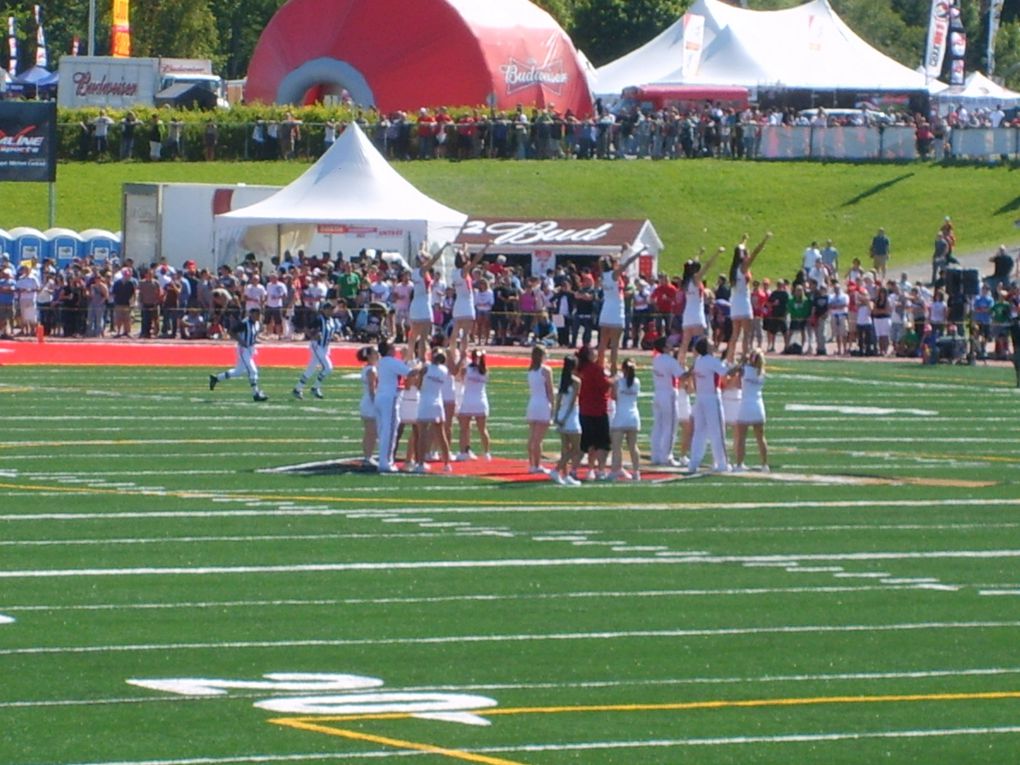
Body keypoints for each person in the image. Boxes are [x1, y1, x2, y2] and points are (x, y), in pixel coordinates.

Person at [687, 337, 732, 474]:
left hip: (700, 398)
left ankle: (693, 462)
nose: (713, 343)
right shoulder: (711, 361)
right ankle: (722, 463)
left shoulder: (699, 361)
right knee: (717, 431)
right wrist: (739, 366)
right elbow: (726, 372)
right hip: (712, 398)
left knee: (699, 432)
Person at [726, 231, 771, 363]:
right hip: (744, 303)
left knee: (735, 334)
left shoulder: (733, 269)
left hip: (735, 303)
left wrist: (744, 240)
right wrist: (764, 240)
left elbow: (739, 249)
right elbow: (755, 254)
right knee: (746, 334)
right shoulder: (743, 267)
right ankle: (744, 358)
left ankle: (730, 357)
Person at [596, 247, 641, 374]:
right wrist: (636, 253)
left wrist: (621, 252)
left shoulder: (602, 275)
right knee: (615, 344)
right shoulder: (614, 274)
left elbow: (611, 261)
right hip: (616, 310)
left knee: (603, 343)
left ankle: (599, 368)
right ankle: (613, 369)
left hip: (605, 310)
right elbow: (626, 263)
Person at [208, 306, 269, 401]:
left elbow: (253, 335)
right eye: (256, 314)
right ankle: (256, 393)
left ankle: (216, 378)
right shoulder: (244, 323)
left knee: (238, 371)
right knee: (252, 370)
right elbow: (231, 331)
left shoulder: (256, 324)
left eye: (259, 314)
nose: (258, 316)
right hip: (243, 349)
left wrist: (256, 340)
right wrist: (240, 340)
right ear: (251, 314)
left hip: (250, 349)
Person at [375, 340, 417, 473]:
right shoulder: (391, 361)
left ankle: (384, 459)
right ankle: (386, 462)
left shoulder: (382, 362)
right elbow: (409, 373)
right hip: (390, 397)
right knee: (390, 430)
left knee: (384, 429)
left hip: (381, 396)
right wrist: (420, 366)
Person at [679, 246, 725, 366]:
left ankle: (680, 366)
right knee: (699, 342)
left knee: (684, 343)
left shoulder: (685, 282)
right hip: (696, 315)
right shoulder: (695, 279)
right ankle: (695, 366)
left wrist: (699, 253)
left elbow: (692, 265)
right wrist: (717, 253)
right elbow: (707, 266)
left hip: (687, 315)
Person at [576, 344, 612, 480]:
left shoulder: (581, 369)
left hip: (585, 409)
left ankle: (583, 469)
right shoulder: (595, 369)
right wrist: (614, 379)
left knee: (587, 443)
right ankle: (600, 470)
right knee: (602, 443)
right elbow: (604, 387)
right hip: (598, 409)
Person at [414, 349, 452, 473]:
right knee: (441, 434)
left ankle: (420, 463)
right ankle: (447, 463)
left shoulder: (426, 368)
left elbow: (418, 386)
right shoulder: (444, 370)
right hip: (438, 403)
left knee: (422, 434)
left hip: (425, 402)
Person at [293, 302, 341, 400]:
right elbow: (306, 328)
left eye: (332, 308)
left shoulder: (332, 320)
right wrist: (312, 335)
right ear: (324, 309)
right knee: (328, 367)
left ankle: (298, 389)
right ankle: (315, 387)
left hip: (325, 347)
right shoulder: (319, 319)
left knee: (311, 368)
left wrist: (334, 337)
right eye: (329, 308)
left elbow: (329, 333)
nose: (331, 311)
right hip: (317, 345)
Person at [732, 349, 769, 472]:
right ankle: (764, 464)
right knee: (761, 438)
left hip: (746, 406)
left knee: (741, 438)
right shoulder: (762, 373)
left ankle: (739, 464)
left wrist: (741, 363)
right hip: (758, 406)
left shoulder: (745, 369)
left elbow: (736, 381)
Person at [649, 336, 684, 466]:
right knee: (670, 426)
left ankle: (656, 455)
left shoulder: (657, 359)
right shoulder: (670, 361)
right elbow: (682, 375)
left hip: (658, 393)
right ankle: (667, 456)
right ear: (664, 347)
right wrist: (693, 371)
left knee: (658, 426)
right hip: (668, 394)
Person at [450, 244, 486, 366]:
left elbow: (464, 259)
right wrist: (485, 247)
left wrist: (464, 249)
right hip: (466, 304)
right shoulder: (464, 272)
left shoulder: (453, 273)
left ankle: (452, 354)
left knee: (455, 332)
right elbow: (475, 260)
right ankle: (463, 356)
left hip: (458, 303)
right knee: (465, 333)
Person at [550, 355, 582, 486]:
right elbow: (573, 402)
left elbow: (558, 400)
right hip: (571, 416)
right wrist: (564, 417)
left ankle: (566, 475)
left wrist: (557, 416)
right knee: (577, 449)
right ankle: (557, 470)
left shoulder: (563, 379)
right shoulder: (576, 381)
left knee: (565, 447)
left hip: (562, 415)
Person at [408, 244, 444, 360]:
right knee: (423, 336)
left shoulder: (414, 271)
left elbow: (425, 256)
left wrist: (423, 246)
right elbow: (433, 259)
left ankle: (410, 357)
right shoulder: (423, 270)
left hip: (416, 303)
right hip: (423, 304)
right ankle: (422, 358)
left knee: (413, 335)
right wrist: (442, 248)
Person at [609, 358, 641, 481]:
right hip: (633, 416)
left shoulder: (619, 382)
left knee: (617, 447)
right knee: (633, 446)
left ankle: (615, 470)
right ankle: (637, 472)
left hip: (621, 416)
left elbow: (613, 396)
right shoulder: (637, 382)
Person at [457, 349, 491, 461]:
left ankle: (463, 452)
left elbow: (461, 381)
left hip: (469, 400)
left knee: (465, 429)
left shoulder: (466, 370)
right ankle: (486, 453)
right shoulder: (485, 370)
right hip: (480, 401)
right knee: (481, 429)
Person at [524, 345, 554, 474]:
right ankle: (536, 465)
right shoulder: (546, 370)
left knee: (532, 438)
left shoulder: (530, 371)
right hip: (542, 404)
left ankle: (532, 463)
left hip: (532, 404)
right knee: (538, 439)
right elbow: (550, 391)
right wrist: (553, 407)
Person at [357, 345, 379, 467]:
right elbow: (372, 389)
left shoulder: (368, 368)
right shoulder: (372, 370)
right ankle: (368, 456)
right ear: (369, 356)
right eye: (375, 353)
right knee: (372, 432)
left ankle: (367, 456)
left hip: (366, 402)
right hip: (370, 403)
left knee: (369, 432)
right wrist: (376, 403)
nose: (378, 355)